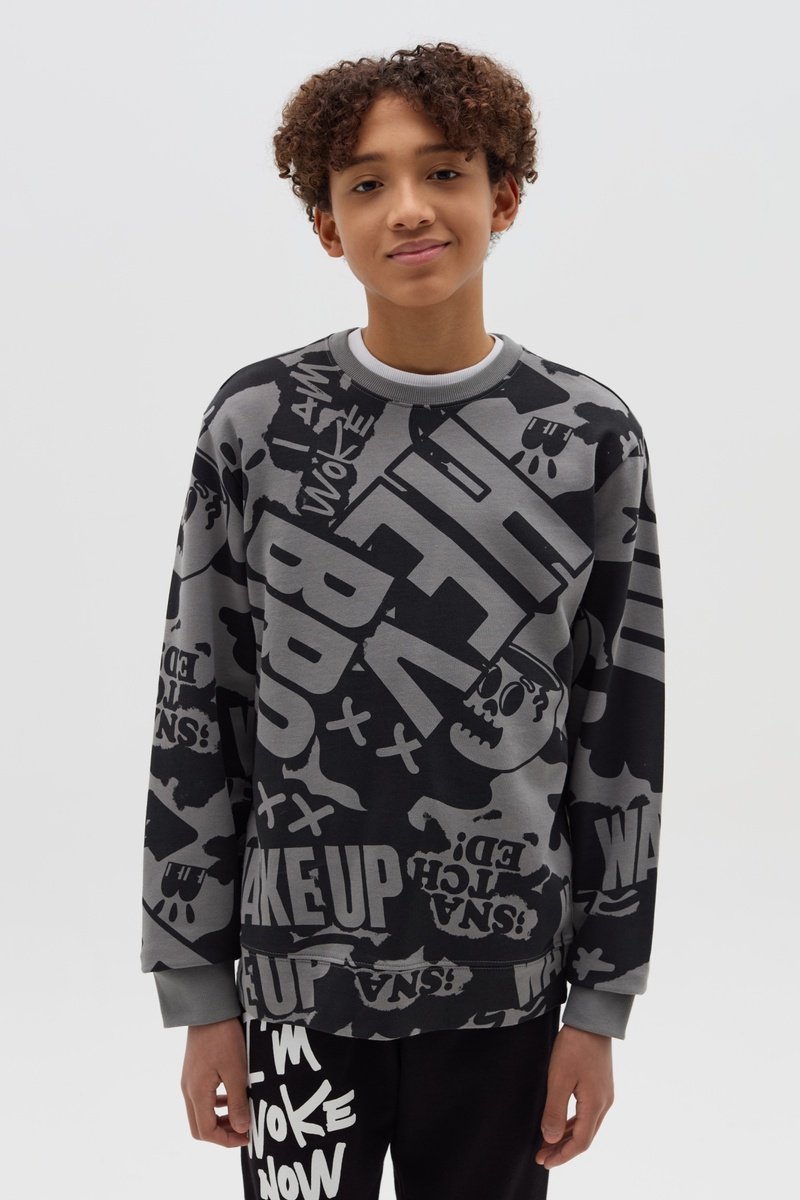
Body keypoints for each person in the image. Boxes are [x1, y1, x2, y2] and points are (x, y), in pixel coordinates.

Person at [140, 41, 665, 1200]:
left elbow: (619, 729)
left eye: (443, 171)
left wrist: (598, 1006)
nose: (409, 208)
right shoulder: (255, 424)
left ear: (503, 196)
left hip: (508, 989)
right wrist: (198, 992)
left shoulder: (588, 438)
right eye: (366, 183)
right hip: (291, 987)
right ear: (325, 224)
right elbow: (198, 704)